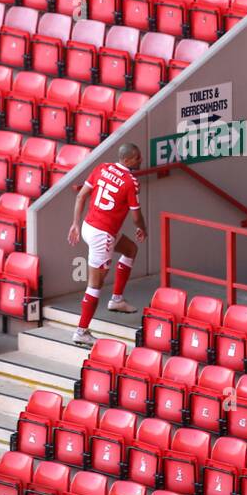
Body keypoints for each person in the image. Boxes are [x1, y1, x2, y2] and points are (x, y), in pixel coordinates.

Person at [67, 142, 147, 347]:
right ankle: (81, 331)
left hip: (88, 226)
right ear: (128, 160)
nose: (141, 160)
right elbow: (136, 216)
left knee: (130, 249)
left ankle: (117, 300)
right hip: (103, 235)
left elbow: (80, 195)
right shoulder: (130, 182)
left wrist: (76, 224)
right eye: (138, 158)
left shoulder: (101, 168)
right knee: (95, 284)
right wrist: (143, 228)